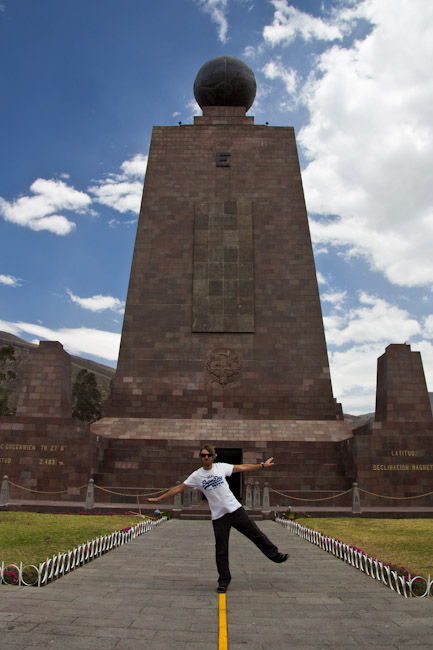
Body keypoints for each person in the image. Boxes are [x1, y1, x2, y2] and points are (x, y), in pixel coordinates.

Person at [147, 443, 289, 593]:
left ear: (213, 457)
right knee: (221, 550)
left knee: (257, 534)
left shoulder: (221, 467)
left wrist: (262, 465)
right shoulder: (196, 475)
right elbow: (179, 488)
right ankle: (223, 581)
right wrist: (160, 499)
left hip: (235, 510)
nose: (206, 457)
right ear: (200, 458)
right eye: (203, 455)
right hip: (219, 517)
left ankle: (276, 556)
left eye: (209, 455)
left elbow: (241, 467)